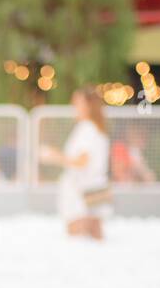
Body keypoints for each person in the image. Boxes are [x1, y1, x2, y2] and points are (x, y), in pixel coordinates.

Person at [40, 87, 111, 240]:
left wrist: (54, 156)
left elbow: (82, 162)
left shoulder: (87, 128)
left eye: (77, 102)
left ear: (88, 105)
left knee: (79, 235)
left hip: (83, 190)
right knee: (95, 236)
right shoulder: (96, 128)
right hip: (95, 187)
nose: (73, 105)